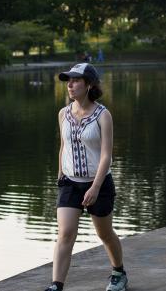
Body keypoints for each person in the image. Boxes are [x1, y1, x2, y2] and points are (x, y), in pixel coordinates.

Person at [46, 63, 127, 291]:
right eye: (68, 81)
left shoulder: (103, 115)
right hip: (70, 184)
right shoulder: (63, 113)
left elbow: (106, 156)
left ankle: (118, 272)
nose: (70, 85)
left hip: (98, 183)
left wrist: (95, 187)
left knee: (104, 233)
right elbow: (64, 146)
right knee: (65, 233)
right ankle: (56, 285)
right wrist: (60, 176)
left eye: (75, 80)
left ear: (89, 85)